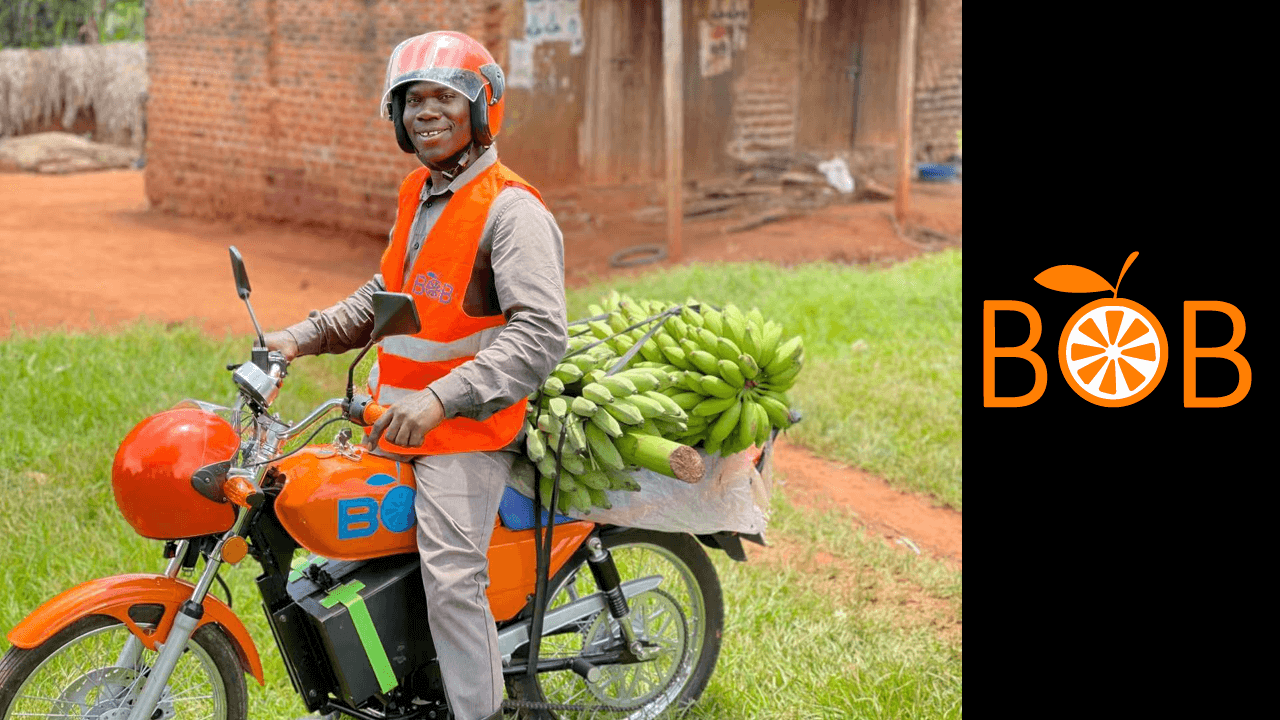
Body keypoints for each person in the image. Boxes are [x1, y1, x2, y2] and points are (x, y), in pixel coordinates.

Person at [264, 30, 567, 720]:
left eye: (444, 98)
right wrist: (299, 336)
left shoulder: (511, 209)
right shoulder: (421, 194)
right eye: (412, 101)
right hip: (398, 421)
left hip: (468, 433)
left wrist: (441, 398)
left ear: (481, 109)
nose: (426, 112)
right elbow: (389, 295)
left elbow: (542, 334)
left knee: (453, 576)